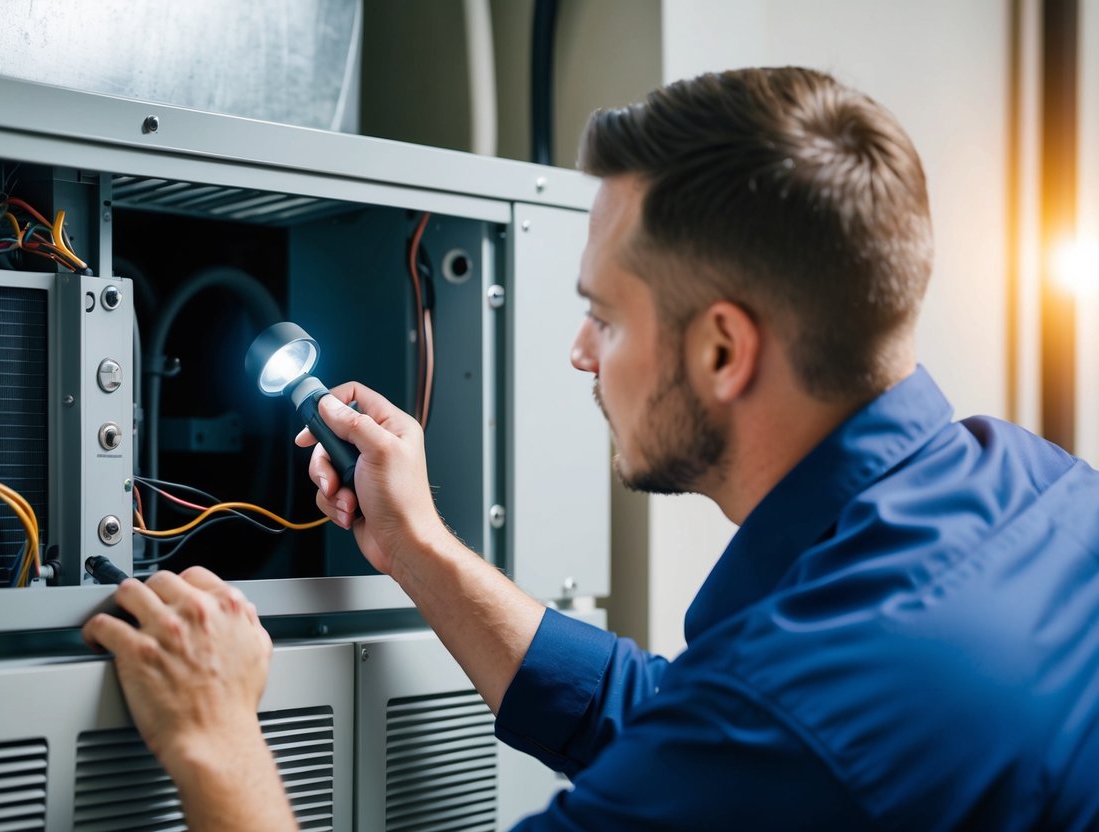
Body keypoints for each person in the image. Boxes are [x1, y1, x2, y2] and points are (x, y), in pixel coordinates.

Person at [82, 67, 1099, 830]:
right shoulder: (1042, 488)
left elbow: (758, 742)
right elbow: (686, 729)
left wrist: (214, 736)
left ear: (720, 348)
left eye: (603, 318)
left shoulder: (796, 716)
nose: (577, 354)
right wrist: (420, 548)